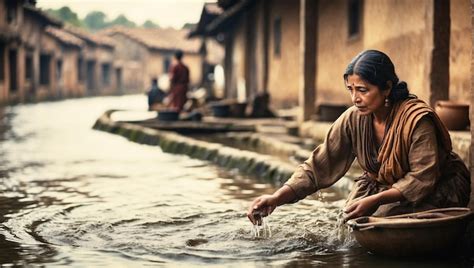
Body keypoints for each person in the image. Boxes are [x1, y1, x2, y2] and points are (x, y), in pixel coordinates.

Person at [247, 50, 471, 225]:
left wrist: (376, 201)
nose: (355, 98)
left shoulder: (416, 120)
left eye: (363, 90)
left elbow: (422, 178)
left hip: (437, 187)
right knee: (350, 224)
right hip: (385, 189)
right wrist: (276, 198)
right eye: (350, 90)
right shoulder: (354, 119)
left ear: (386, 88)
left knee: (385, 224)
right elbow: (318, 166)